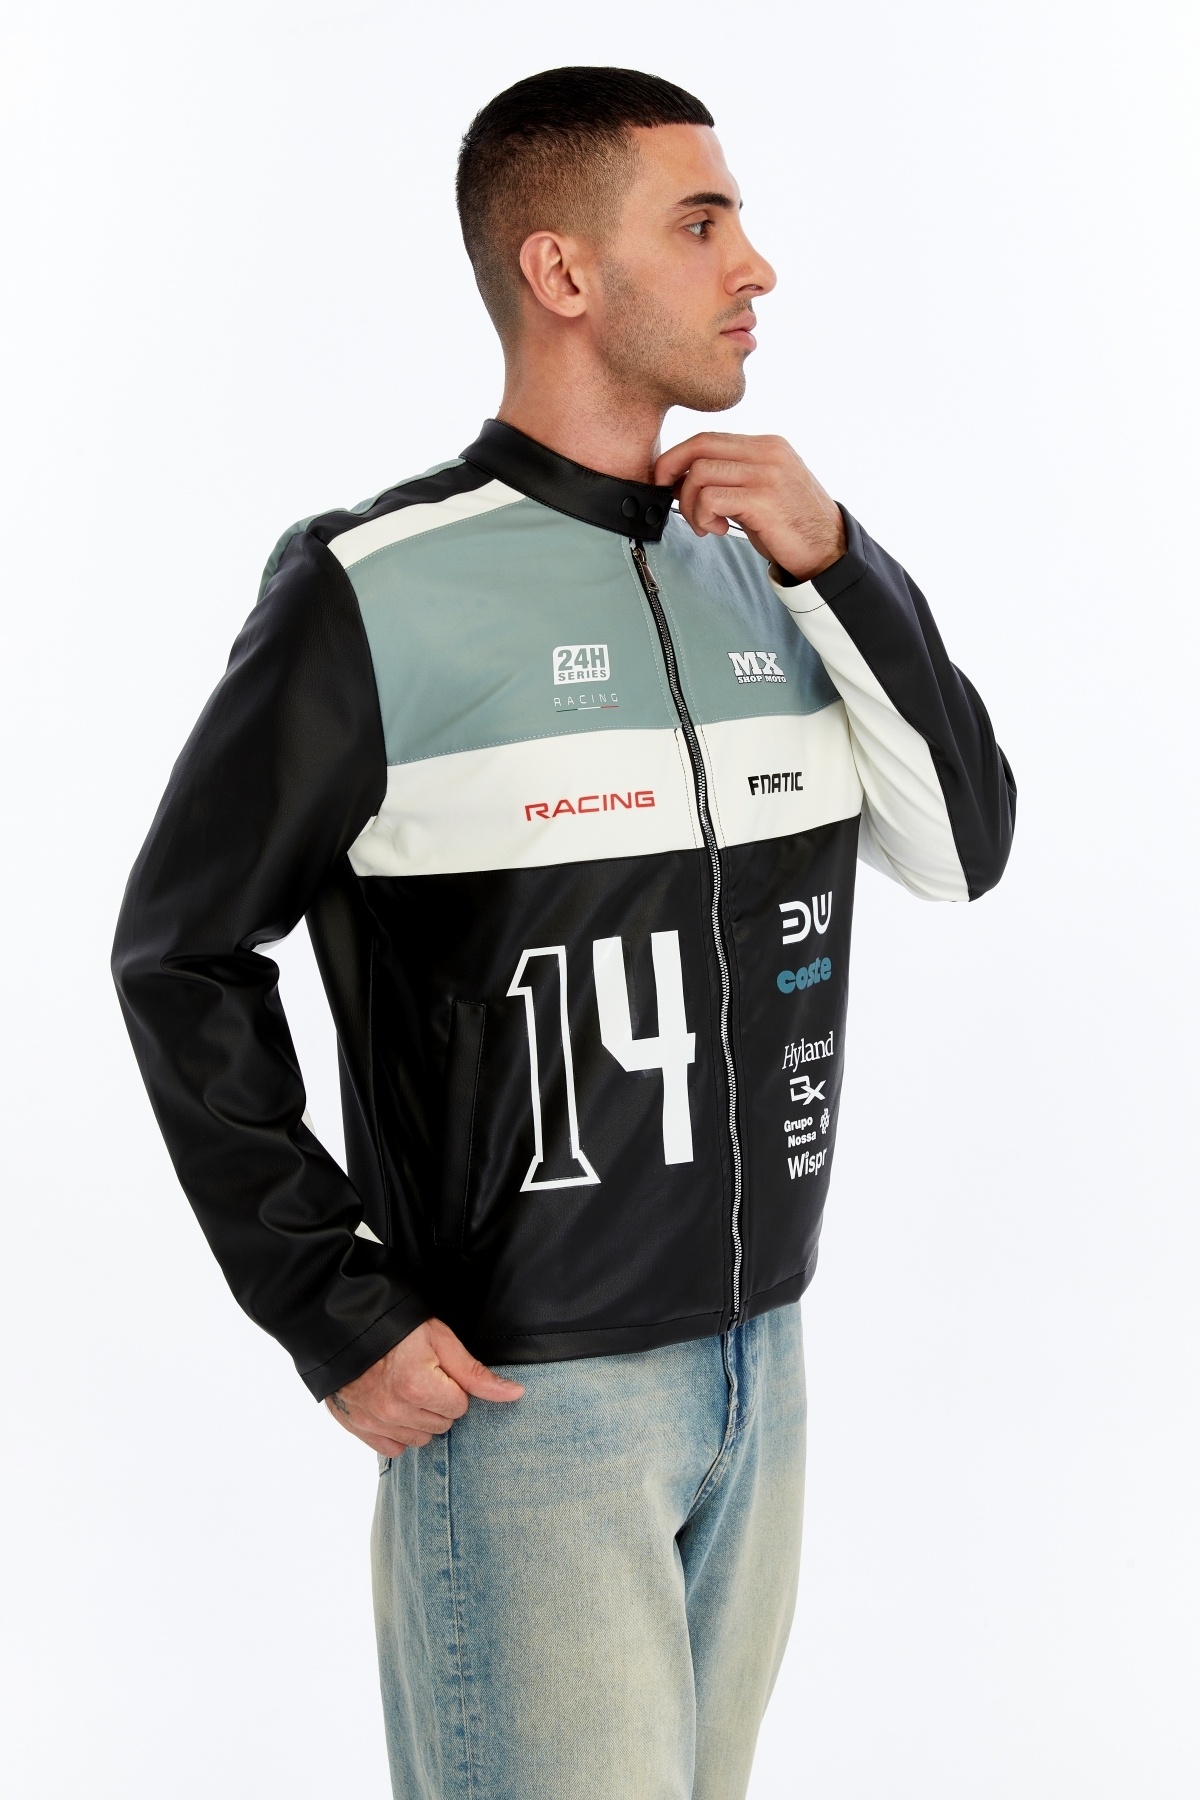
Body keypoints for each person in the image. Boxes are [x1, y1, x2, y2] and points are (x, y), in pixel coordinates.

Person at [112, 64, 1015, 1800]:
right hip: (531, 1400)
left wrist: (841, 564)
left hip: (765, 1363)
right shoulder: (372, 585)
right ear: (564, 272)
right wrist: (330, 1304)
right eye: (704, 222)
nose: (756, 266)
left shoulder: (769, 568)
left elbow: (959, 847)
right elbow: (179, 954)